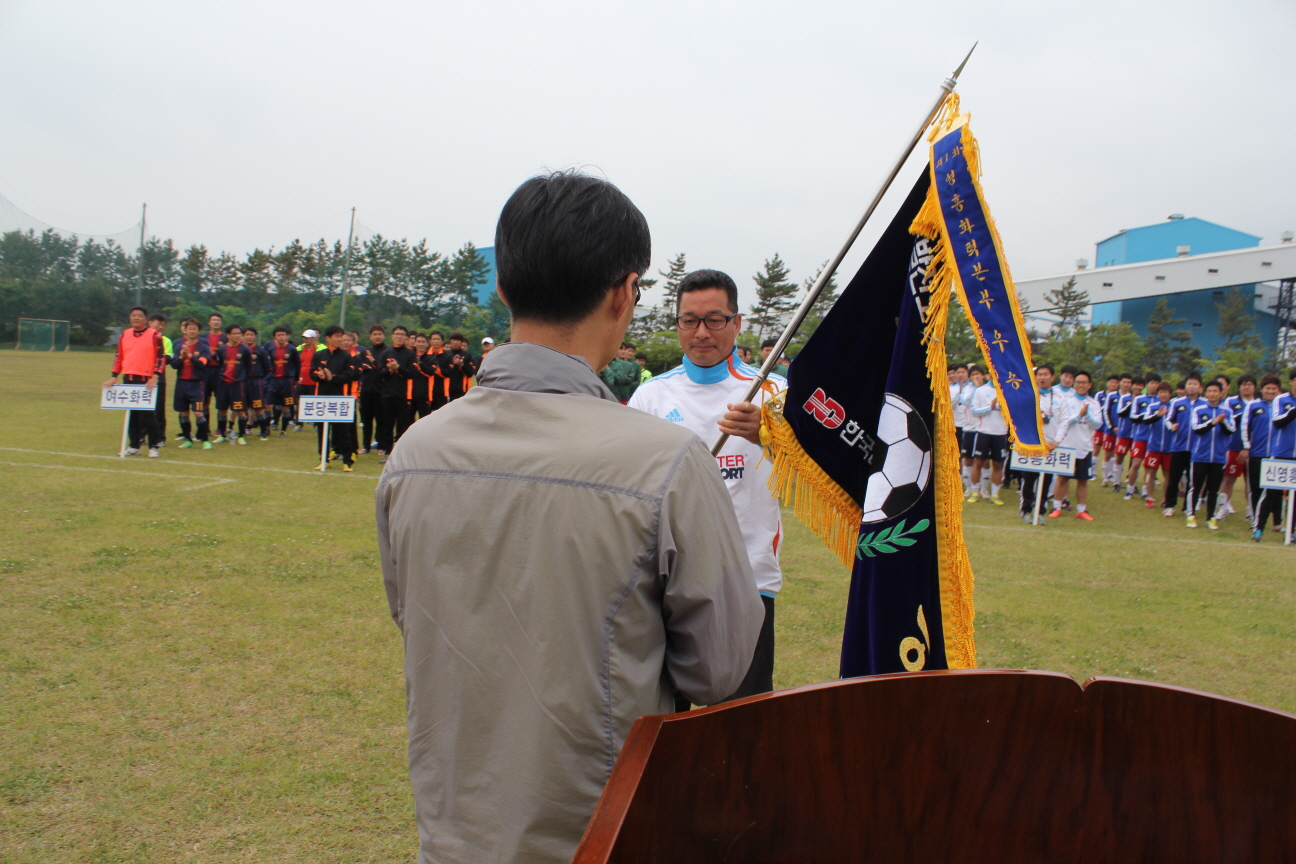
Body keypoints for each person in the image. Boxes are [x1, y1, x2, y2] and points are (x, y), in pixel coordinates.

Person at [377, 171, 762, 864]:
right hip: (607, 831)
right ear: (623, 292)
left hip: (453, 829)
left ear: (503, 288)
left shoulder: (415, 453)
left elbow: (417, 618)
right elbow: (720, 669)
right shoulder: (665, 463)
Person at [629, 268, 785, 706]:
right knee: (665, 719)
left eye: (715, 320)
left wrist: (769, 435)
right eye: (689, 320)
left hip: (747, 578)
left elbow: (813, 476)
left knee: (741, 723)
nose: (701, 332)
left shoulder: (772, 394)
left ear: (737, 323)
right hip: (666, 579)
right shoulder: (650, 399)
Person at [103, 306, 166, 456]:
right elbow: (119, 356)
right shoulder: (125, 335)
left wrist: (155, 375)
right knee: (132, 413)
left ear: (145, 319)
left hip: (146, 380)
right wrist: (114, 375)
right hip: (129, 378)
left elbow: (161, 357)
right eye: (133, 316)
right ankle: (134, 445)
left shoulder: (154, 335)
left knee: (148, 414)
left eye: (139, 316)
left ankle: (153, 446)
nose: (136, 318)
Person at [1018, 364, 1073, 522]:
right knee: (1028, 479)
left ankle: (1041, 511)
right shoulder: (1028, 396)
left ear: (1052, 377)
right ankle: (1026, 509)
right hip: (1032, 445)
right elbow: (1021, 419)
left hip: (1050, 446)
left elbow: (1064, 422)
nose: (1042, 377)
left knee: (1046, 480)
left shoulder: (1060, 399)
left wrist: (1056, 441)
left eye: (1045, 374)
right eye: (1039, 375)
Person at [1048, 370, 1103, 520]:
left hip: (1084, 447)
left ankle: (1081, 510)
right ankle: (1057, 507)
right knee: (1063, 479)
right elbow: (1063, 422)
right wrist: (1079, 415)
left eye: (1083, 382)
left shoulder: (1094, 403)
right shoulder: (1066, 401)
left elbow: (1098, 425)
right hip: (1067, 445)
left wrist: (1087, 415)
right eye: (1078, 382)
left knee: (1082, 480)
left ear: (1089, 385)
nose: (1080, 385)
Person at [1186, 379, 1234, 529]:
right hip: (1200, 455)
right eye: (1210, 391)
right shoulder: (1199, 410)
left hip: (1219, 456)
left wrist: (1223, 421)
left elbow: (1231, 430)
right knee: (1196, 486)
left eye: (1215, 391)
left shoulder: (1227, 411)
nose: (1212, 394)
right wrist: (1213, 422)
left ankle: (1210, 517)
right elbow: (1197, 428)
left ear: (1221, 393)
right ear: (1205, 393)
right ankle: (1191, 515)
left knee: (1213, 489)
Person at [311, 325, 360, 471]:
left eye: (341, 336)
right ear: (328, 338)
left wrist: (333, 378)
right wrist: (318, 376)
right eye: (337, 337)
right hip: (322, 398)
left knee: (342, 430)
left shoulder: (346, 357)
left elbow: (351, 376)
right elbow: (311, 373)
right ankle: (323, 459)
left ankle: (347, 461)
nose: (340, 339)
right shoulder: (319, 355)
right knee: (322, 430)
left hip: (340, 398)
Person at [1241, 375, 1283, 540]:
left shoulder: (1282, 406)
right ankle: (1255, 518)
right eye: (1267, 388)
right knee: (1256, 489)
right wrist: (1246, 447)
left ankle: (1277, 522)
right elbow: (1245, 427)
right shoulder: (1253, 405)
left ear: (1278, 390)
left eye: (1274, 389)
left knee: (1277, 490)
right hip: (1256, 454)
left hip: (1277, 454)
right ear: (1262, 389)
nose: (1270, 391)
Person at [1161, 374, 1203, 517]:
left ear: (1200, 387)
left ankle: (1188, 507)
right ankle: (1170, 505)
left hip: (1196, 448)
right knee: (1174, 478)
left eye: (1194, 384)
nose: (1191, 386)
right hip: (1178, 446)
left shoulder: (1204, 404)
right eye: (1189, 383)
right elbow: (1168, 419)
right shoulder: (1177, 403)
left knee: (1193, 480)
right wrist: (1171, 426)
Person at [966, 366, 1007, 505]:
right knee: (979, 462)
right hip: (984, 432)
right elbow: (974, 411)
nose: (996, 377)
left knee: (997, 464)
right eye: (993, 374)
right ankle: (975, 491)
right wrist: (991, 406)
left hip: (1000, 433)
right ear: (989, 375)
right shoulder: (980, 391)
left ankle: (995, 494)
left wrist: (1005, 408)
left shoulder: (1007, 391)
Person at [169, 317, 212, 449]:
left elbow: (202, 364)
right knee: (183, 412)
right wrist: (182, 357)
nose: (192, 331)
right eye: (189, 329)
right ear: (185, 330)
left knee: (198, 412)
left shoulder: (203, 347)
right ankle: (188, 439)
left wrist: (190, 356)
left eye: (194, 329)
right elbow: (174, 365)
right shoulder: (178, 346)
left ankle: (205, 439)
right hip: (181, 384)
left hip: (196, 384)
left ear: (198, 331)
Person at [1219, 375, 1256, 520]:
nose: (1246, 387)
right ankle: (1223, 508)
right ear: (1239, 387)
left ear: (1254, 387)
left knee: (1251, 482)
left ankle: (1251, 511)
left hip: (1255, 449)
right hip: (1234, 446)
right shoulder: (1230, 401)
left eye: (1249, 384)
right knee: (1229, 479)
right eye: (1243, 385)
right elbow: (1227, 420)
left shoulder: (1258, 403)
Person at [378, 326, 417, 458]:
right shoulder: (386, 353)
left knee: (403, 425)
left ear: (406, 338)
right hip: (387, 394)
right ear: (392, 336)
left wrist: (398, 368)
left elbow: (412, 374)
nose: (399, 336)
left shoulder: (410, 354)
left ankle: (401, 454)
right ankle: (387, 453)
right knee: (387, 424)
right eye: (397, 334)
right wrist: (389, 370)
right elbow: (379, 374)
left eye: (402, 334)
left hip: (404, 395)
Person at [214, 325, 253, 444]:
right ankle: (222, 434)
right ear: (228, 335)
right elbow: (220, 364)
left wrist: (241, 377)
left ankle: (241, 435)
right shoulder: (221, 349)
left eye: (239, 333)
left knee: (240, 409)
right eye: (235, 333)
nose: (237, 335)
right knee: (222, 409)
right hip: (223, 383)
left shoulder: (244, 349)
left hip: (238, 383)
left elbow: (248, 366)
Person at [1142, 381, 1175, 510]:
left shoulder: (1174, 406)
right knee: (1151, 472)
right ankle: (1149, 497)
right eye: (1161, 392)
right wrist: (1157, 415)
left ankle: (1166, 498)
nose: (1163, 395)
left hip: (1170, 446)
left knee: (1168, 474)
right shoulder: (1152, 406)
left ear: (1170, 394)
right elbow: (1146, 420)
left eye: (1165, 392)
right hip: (1154, 445)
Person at [265, 326, 300, 435]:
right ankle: (267, 429)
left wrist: (296, 379)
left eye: (283, 335)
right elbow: (267, 364)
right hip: (274, 380)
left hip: (287, 381)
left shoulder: (292, 349)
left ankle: (283, 430)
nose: (281, 337)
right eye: (279, 335)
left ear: (286, 336)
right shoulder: (271, 349)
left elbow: (297, 364)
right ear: (275, 337)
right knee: (268, 405)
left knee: (286, 406)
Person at [241, 327, 271, 439]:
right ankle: (243, 430)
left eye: (251, 335)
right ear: (243, 336)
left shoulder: (260, 350)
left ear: (255, 336)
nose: (249, 337)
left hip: (255, 382)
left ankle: (264, 431)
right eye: (247, 335)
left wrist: (263, 381)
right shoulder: (240, 350)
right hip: (242, 382)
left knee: (258, 407)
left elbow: (268, 368)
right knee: (242, 408)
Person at [949, 363, 974, 494]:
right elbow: (949, 405)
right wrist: (959, 393)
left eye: (963, 372)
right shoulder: (951, 388)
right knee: (955, 455)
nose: (960, 374)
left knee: (968, 456)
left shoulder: (973, 387)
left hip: (970, 426)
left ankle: (969, 483)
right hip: (955, 425)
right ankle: (957, 480)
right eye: (958, 372)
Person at [148, 313, 172, 444]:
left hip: (159, 378)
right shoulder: (143, 338)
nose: (161, 326)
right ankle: (141, 435)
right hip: (142, 377)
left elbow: (166, 358)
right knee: (142, 409)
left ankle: (160, 437)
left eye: (163, 325)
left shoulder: (165, 340)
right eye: (158, 323)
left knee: (158, 409)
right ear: (150, 323)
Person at [293, 329, 322, 430]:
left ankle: (316, 424)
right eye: (304, 337)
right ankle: (299, 423)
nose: (305, 339)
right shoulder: (300, 349)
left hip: (313, 380)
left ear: (314, 338)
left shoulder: (319, 350)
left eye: (308, 338)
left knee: (314, 402)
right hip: (301, 380)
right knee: (299, 402)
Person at [436, 331, 477, 404]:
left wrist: (462, 365)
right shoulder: (445, 354)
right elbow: (443, 372)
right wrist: (453, 364)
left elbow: (470, 373)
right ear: (450, 341)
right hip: (447, 389)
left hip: (462, 389)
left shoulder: (467, 355)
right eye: (453, 340)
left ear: (461, 342)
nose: (455, 342)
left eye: (458, 340)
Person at [1097, 374, 1120, 485]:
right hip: (1106, 428)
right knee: (1104, 452)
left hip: (1120, 431)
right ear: (1107, 383)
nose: (1113, 384)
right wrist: (1111, 426)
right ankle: (1101, 476)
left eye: (1116, 382)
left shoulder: (1121, 397)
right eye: (1111, 382)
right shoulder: (1101, 395)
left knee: (1116, 453)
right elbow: (1101, 410)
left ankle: (1111, 475)